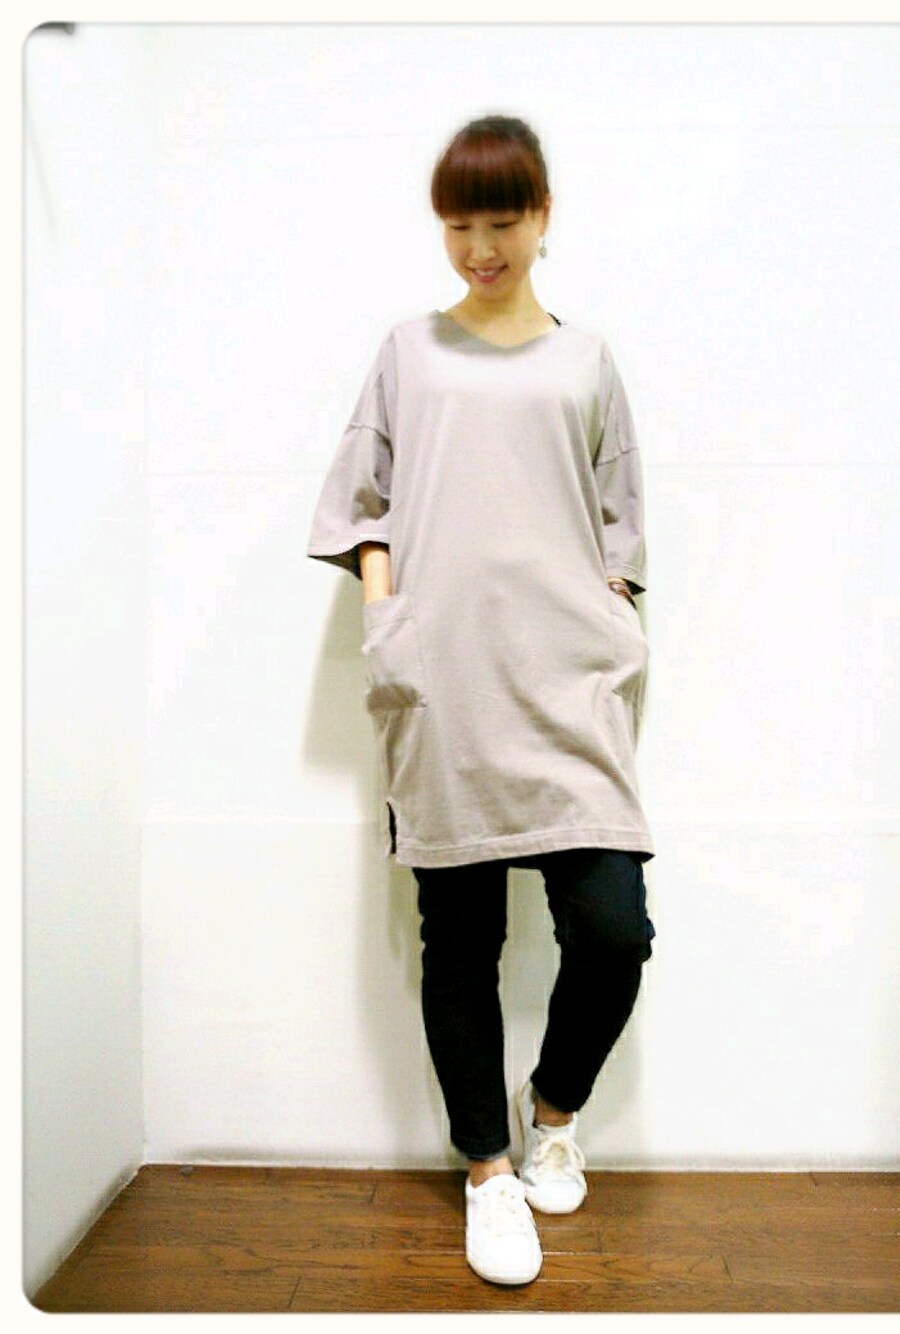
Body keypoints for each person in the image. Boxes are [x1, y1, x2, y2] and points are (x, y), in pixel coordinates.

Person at [306, 114, 656, 1287]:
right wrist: (388, 618)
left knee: (612, 928)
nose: (479, 248)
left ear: (542, 216)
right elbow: (361, 498)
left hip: (565, 677)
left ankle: (553, 1108)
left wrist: (610, 612)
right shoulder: (408, 352)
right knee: (458, 942)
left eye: (500, 222)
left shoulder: (586, 359)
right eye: (458, 225)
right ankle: (487, 1170)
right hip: (443, 676)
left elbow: (620, 519)